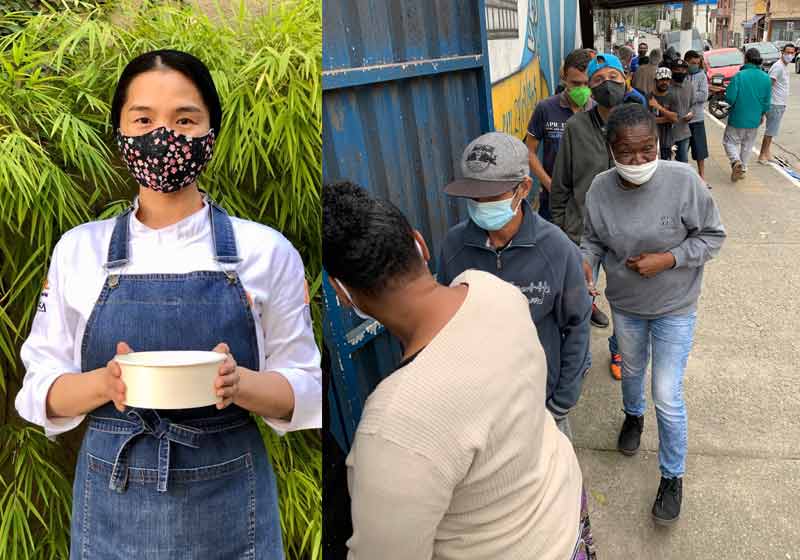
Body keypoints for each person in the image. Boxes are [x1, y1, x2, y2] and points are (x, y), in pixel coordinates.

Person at [14, 50, 322, 558]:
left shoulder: (266, 251)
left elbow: (306, 386)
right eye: (143, 119)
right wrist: (104, 383)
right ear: (120, 134)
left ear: (211, 133)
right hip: (113, 495)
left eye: (184, 119)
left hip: (230, 499)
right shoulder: (79, 249)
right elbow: (40, 392)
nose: (164, 135)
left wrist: (239, 383)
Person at [323, 181, 595, 560]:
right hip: (565, 513)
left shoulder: (394, 425)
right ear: (419, 243)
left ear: (341, 292)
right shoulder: (495, 292)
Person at [581, 103, 726, 526]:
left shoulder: (683, 181)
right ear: (610, 150)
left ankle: (672, 475)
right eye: (627, 152)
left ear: (659, 144)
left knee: (666, 392)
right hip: (626, 306)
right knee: (630, 373)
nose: (639, 161)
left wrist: (669, 259)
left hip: (675, 307)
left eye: (648, 150)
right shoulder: (599, 190)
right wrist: (584, 263)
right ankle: (632, 416)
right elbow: (592, 240)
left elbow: (713, 237)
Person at [439, 132, 592, 440]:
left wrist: (560, 405)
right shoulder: (453, 246)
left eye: (492, 196)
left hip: (541, 405)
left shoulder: (557, 249)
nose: (481, 205)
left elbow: (577, 327)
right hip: (479, 409)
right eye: (474, 196)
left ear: (524, 187)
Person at [551, 52, 635, 379]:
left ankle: (619, 351)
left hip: (627, 233)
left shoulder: (639, 122)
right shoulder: (575, 127)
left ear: (626, 81)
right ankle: (577, 360)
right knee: (576, 301)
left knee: (625, 305)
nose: (607, 85)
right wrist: (561, 231)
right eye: (598, 80)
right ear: (589, 86)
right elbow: (561, 185)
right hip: (581, 233)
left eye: (613, 77)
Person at [526, 48, 594, 221]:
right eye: (576, 84)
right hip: (553, 202)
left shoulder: (598, 111)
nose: (582, 89)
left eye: (587, 84)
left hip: (589, 203)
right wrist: (550, 186)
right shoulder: (545, 108)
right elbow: (529, 152)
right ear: (564, 78)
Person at [724, 48, 772, 181]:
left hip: (738, 117)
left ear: (746, 59)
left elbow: (730, 98)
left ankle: (735, 162)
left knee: (729, 142)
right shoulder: (766, 78)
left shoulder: (740, 75)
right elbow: (767, 102)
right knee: (748, 144)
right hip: (755, 119)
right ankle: (743, 168)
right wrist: (762, 114)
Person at [758, 43, 796, 164]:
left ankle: (767, 153)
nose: (790, 55)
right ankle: (761, 155)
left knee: (772, 131)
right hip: (775, 103)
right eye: (787, 52)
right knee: (770, 131)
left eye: (792, 53)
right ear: (782, 53)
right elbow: (769, 85)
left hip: (780, 103)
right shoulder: (778, 67)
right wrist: (764, 105)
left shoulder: (784, 66)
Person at [684, 50, 710, 182]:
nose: (694, 65)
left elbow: (704, 95)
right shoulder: (681, 74)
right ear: (686, 61)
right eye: (692, 63)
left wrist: (687, 97)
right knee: (681, 151)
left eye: (697, 63)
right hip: (682, 120)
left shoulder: (701, 76)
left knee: (700, 150)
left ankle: (701, 177)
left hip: (697, 118)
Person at [668, 58, 695, 164]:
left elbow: (692, 105)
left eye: (683, 70)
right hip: (667, 132)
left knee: (683, 163)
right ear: (672, 70)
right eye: (677, 69)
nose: (680, 72)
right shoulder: (666, 85)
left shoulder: (689, 85)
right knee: (666, 162)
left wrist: (691, 114)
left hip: (683, 131)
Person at [650, 67, 679, 160]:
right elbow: (647, 120)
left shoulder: (673, 97)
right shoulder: (648, 97)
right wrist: (668, 117)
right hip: (651, 141)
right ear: (655, 81)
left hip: (668, 141)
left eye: (667, 80)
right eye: (661, 79)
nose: (664, 82)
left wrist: (658, 107)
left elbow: (675, 118)